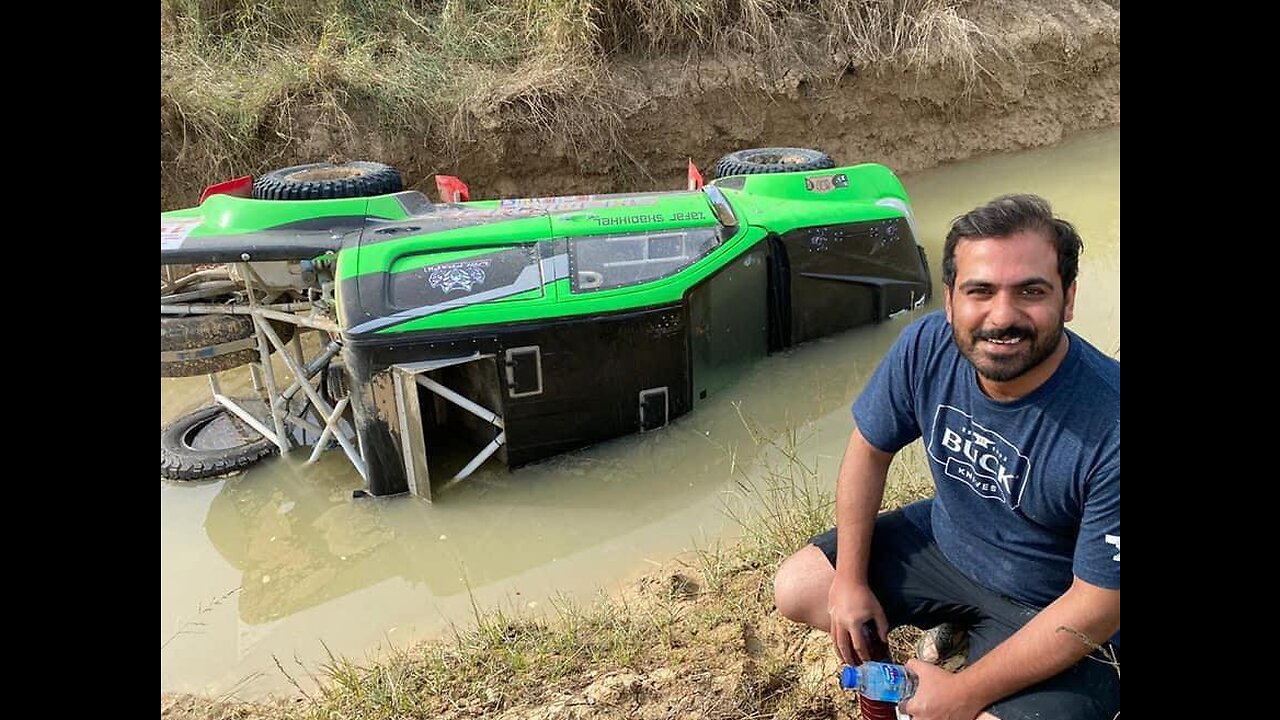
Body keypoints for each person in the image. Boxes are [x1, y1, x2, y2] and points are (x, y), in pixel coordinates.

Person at [772, 194, 1119, 720]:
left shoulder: (1110, 422)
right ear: (951, 299)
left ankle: (962, 666)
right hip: (946, 544)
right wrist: (850, 581)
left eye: (1031, 291)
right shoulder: (926, 346)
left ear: (1068, 300)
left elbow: (1097, 606)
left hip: (1052, 602)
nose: (1002, 316)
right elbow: (868, 452)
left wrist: (964, 694)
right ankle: (924, 658)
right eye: (980, 291)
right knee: (799, 588)